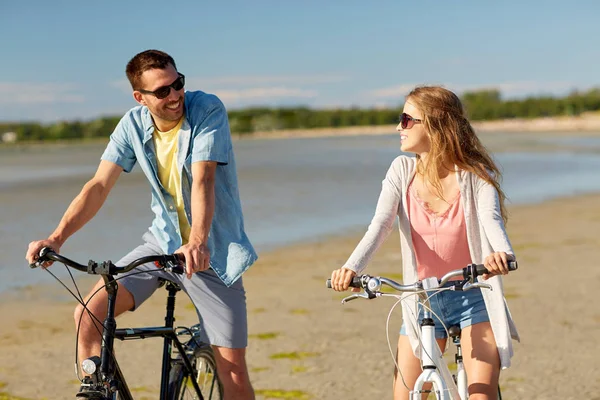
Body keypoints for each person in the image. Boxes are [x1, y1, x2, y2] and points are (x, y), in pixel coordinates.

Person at [25, 49, 258, 399]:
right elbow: (99, 185)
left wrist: (197, 241)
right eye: (162, 91)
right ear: (140, 97)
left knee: (233, 371)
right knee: (88, 316)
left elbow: (203, 178)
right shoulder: (132, 125)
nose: (175, 95)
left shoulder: (207, 109)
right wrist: (56, 239)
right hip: (160, 244)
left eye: (177, 83)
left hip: (210, 253)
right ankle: (101, 388)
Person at [330, 86, 519, 399]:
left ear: (434, 125)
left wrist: (503, 254)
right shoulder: (401, 171)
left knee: (481, 394)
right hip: (422, 301)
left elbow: (491, 221)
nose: (398, 127)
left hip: (474, 297)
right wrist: (351, 268)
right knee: (406, 394)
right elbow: (381, 225)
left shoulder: (475, 177)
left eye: (406, 120)